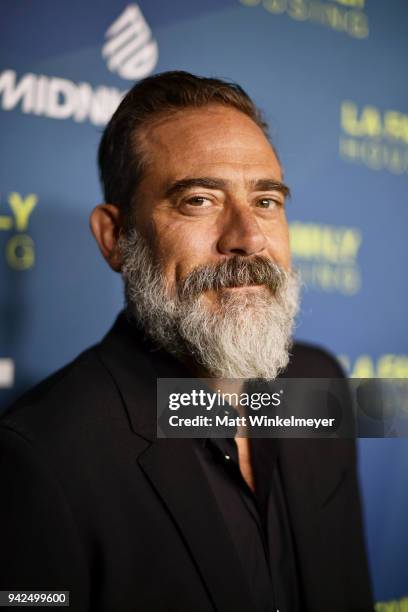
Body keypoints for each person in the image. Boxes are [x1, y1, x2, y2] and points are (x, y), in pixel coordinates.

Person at [0, 71, 373, 611]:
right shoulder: (42, 456)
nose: (247, 238)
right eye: (199, 200)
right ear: (115, 238)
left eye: (266, 200)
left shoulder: (321, 384)